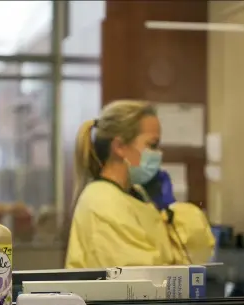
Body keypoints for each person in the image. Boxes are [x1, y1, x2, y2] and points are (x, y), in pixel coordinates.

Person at [65, 100, 215, 268]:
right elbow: (143, 274)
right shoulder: (102, 202)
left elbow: (190, 256)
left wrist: (172, 211)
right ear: (120, 147)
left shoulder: (137, 195)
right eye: (152, 145)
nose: (158, 154)